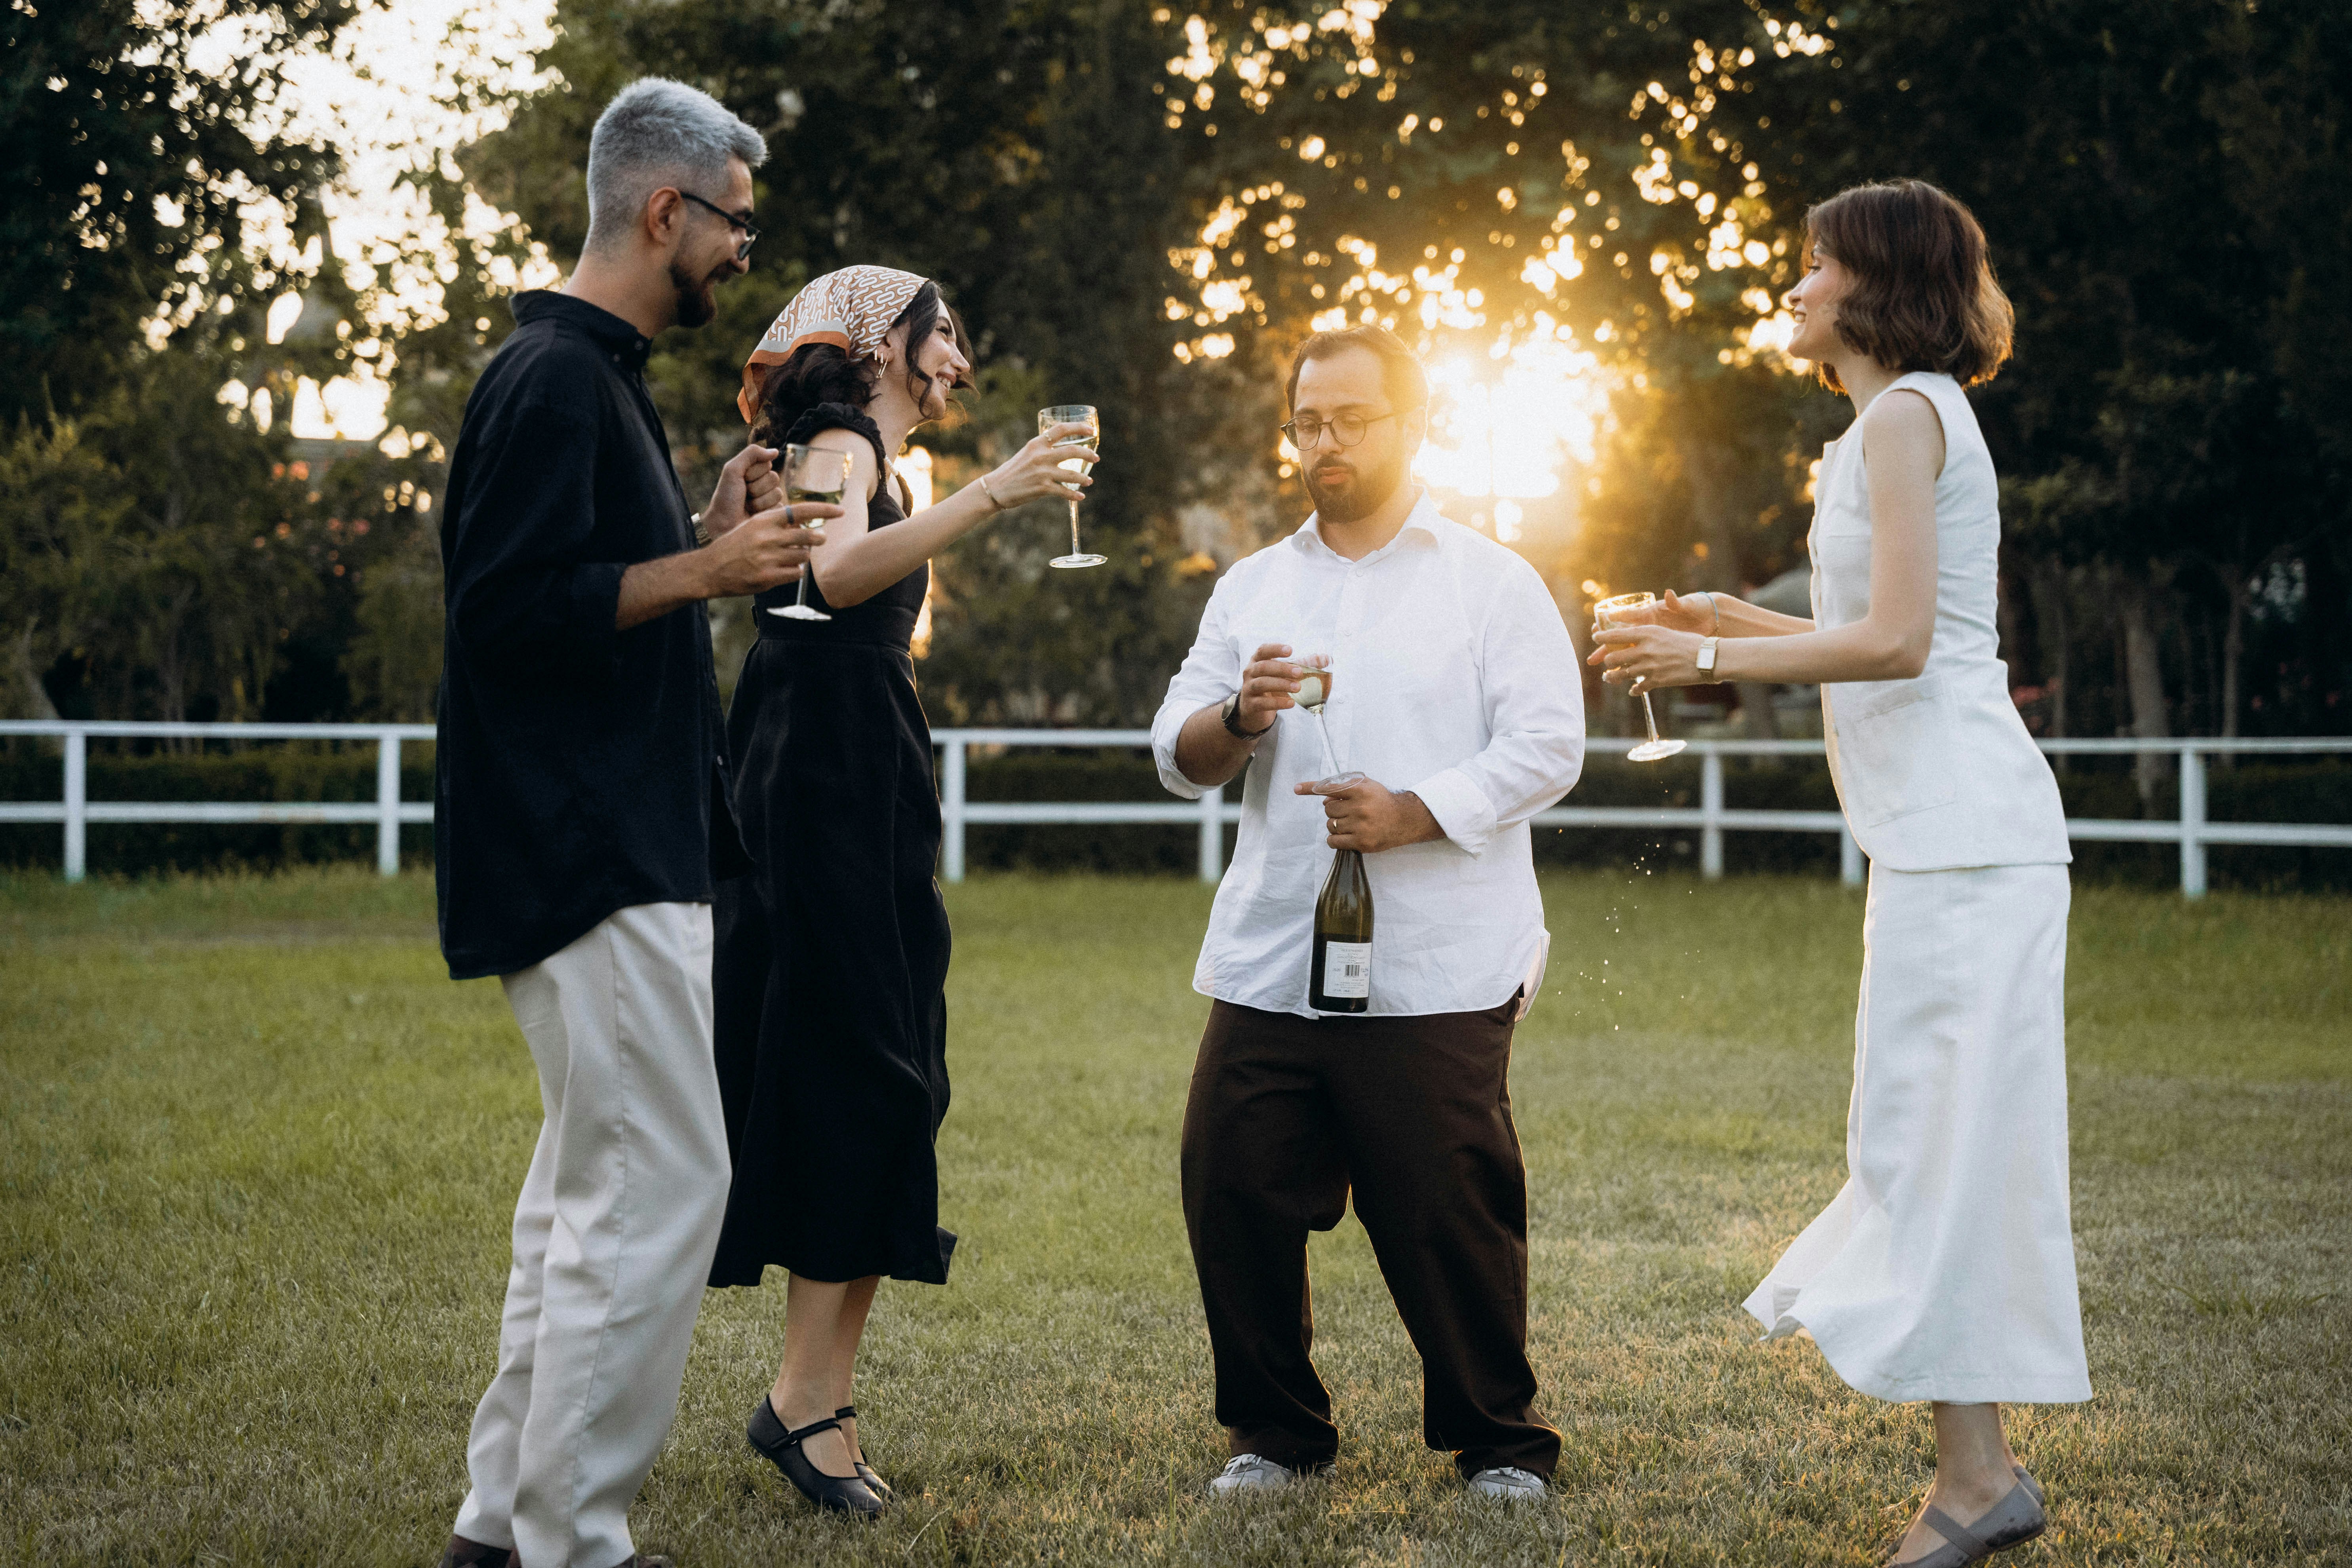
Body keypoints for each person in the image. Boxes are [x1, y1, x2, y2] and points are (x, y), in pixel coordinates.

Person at [1591, 179, 2089, 1567]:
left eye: (1814, 263)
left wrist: (1699, 662)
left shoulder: (1906, 412)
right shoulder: (1889, 422)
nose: (1795, 284)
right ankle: (1980, 1473)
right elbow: (1869, 623)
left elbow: (1893, 648)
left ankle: (1975, 1484)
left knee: (1934, 1147)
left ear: (1874, 284)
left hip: (1968, 837)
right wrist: (1722, 616)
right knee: (1928, 1144)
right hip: (1941, 839)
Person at [432, 79, 833, 1568]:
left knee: (586, 1201)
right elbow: (505, 617)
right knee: (663, 1186)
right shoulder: (548, 379)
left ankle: (504, 1528)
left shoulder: (589, 377)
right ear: (667, 209)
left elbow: (591, 583)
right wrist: (711, 569)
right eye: (734, 220)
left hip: (626, 846)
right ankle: (572, 1544)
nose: (743, 253)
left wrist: (691, 534)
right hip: (588, 857)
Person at [1149, 324, 1585, 1501]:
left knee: (1448, 1212)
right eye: (1305, 422)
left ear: (1411, 423)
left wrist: (1416, 812)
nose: (1323, 442)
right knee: (1228, 1183)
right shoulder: (1254, 587)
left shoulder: (1488, 580)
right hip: (1272, 953)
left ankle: (1500, 1442)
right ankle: (1276, 1434)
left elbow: (1550, 745)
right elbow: (1177, 755)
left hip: (1436, 959)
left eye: (1348, 419)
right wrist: (1240, 717)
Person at [708, 266, 1098, 1516]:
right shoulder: (834, 443)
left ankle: (806, 1396)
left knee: (888, 1072)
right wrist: (998, 493)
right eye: (948, 340)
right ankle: (807, 1407)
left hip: (855, 764)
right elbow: (825, 581)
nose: (962, 366)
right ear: (884, 342)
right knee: (857, 1067)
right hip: (819, 771)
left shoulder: (868, 457)